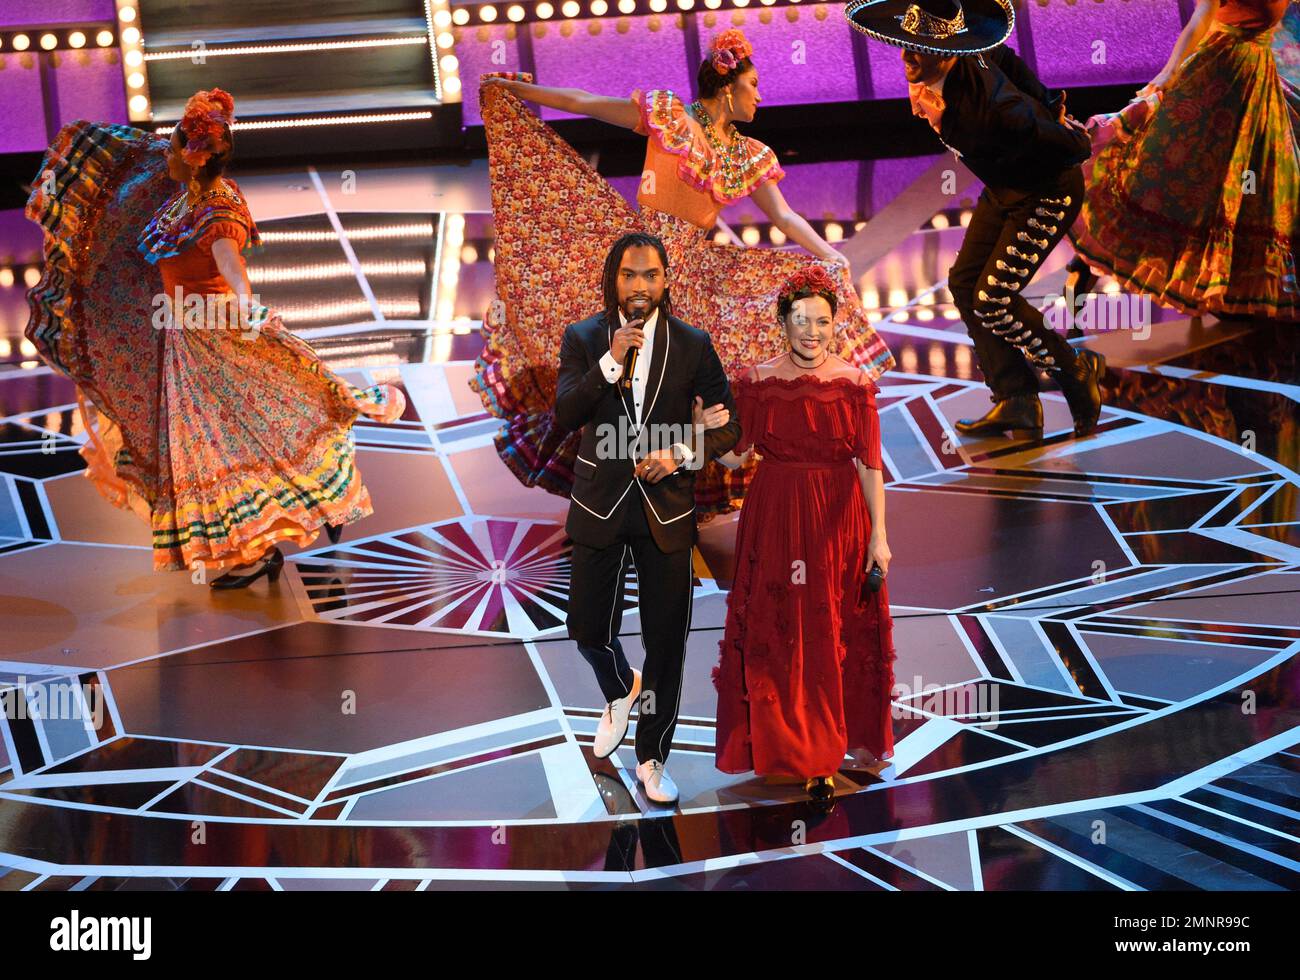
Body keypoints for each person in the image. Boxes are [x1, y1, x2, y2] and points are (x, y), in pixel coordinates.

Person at [474, 27, 893, 521]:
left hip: (692, 275)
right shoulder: (667, 115)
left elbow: (783, 217)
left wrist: (831, 255)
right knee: (619, 373)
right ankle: (613, 486)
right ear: (726, 85)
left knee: (692, 380)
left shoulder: (746, 154)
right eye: (753, 84)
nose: (760, 95)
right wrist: (518, 90)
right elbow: (584, 100)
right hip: (636, 263)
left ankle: (670, 489)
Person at [24, 89, 405, 587]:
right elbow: (130, 174)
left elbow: (230, 263)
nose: (165, 152)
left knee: (238, 433)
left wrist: (246, 307)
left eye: (174, 144)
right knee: (219, 439)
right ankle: (268, 539)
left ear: (192, 155)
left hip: (217, 331)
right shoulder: (183, 195)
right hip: (183, 336)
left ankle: (283, 527)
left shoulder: (219, 209)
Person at [846, 0, 1107, 440]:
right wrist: (1044, 96)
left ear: (946, 54)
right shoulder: (973, 55)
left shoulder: (996, 108)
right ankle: (1016, 400)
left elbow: (1063, 146)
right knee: (966, 283)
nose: (908, 57)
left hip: (1047, 192)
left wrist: (1061, 124)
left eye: (920, 49)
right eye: (906, 46)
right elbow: (1004, 54)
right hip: (1006, 185)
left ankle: (1075, 370)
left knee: (993, 297)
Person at [557, 232, 740, 805]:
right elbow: (566, 412)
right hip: (599, 500)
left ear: (666, 280)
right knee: (587, 626)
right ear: (614, 278)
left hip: (667, 508)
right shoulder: (585, 338)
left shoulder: (693, 344)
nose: (641, 286)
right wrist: (610, 361)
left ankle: (653, 756)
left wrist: (683, 449)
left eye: (652, 275)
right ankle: (618, 687)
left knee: (667, 641)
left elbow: (728, 427)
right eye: (630, 275)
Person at [709, 265, 895, 802]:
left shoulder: (857, 386)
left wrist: (878, 536)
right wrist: (702, 430)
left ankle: (822, 752)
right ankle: (785, 748)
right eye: (799, 321)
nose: (810, 331)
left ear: (835, 326)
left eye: (821, 321)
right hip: (774, 518)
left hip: (838, 521)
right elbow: (735, 456)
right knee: (777, 632)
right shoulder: (758, 382)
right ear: (782, 325)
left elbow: (870, 467)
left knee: (827, 633)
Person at [1067, 0, 1300, 320]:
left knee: (1244, 188)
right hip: (1218, 75)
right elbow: (1201, 19)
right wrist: (1167, 75)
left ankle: (1223, 285)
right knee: (1167, 176)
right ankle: (1088, 262)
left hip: (1257, 83)